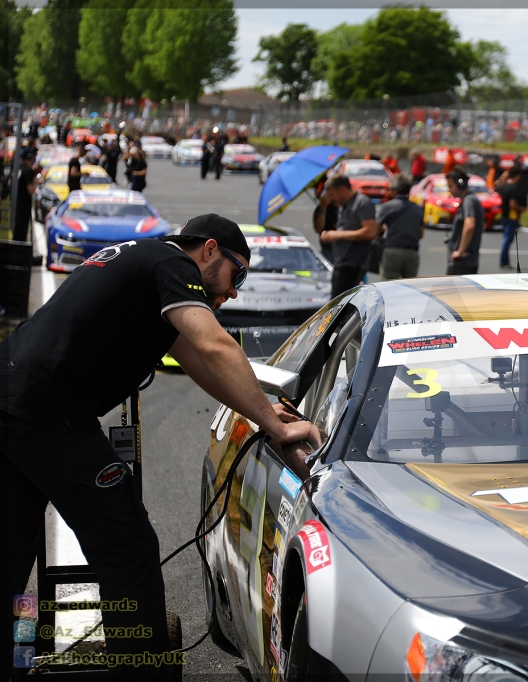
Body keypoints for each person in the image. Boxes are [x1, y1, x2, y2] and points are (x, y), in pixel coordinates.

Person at [0, 214, 320, 681]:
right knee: (127, 545)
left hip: (12, 401)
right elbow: (215, 347)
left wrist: (264, 416)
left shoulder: (144, 262)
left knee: (9, 549)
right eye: (238, 275)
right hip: (50, 414)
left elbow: (201, 366)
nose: (233, 292)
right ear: (209, 250)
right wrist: (276, 426)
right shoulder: (172, 264)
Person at [317, 175, 378, 296]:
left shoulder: (362, 202)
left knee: (340, 306)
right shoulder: (342, 206)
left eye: (332, 194)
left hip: (353, 264)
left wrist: (338, 235)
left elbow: (371, 232)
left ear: (342, 190)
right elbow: (346, 228)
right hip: (341, 262)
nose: (332, 198)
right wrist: (330, 234)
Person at [377, 174, 424, 281]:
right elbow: (421, 234)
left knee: (388, 286)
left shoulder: (387, 206)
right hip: (412, 253)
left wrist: (385, 230)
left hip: (392, 250)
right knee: (409, 287)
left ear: (395, 190)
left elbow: (375, 230)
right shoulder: (417, 208)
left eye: (390, 189)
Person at [446, 168, 483, 276]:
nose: (449, 190)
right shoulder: (471, 200)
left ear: (460, 185)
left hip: (462, 263)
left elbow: (470, 225)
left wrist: (460, 251)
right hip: (467, 263)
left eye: (450, 186)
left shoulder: (469, 201)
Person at [496, 169, 523, 270]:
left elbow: (496, 185)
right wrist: (520, 209)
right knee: (508, 239)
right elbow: (512, 204)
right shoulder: (512, 188)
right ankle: (504, 261)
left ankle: (504, 261)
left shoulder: (504, 186)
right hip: (511, 216)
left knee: (506, 238)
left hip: (504, 214)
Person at [13, 151, 37, 242]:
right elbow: (31, 190)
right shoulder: (27, 171)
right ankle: (20, 249)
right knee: (22, 229)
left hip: (17, 201)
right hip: (24, 204)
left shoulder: (18, 168)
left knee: (17, 228)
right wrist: (35, 183)